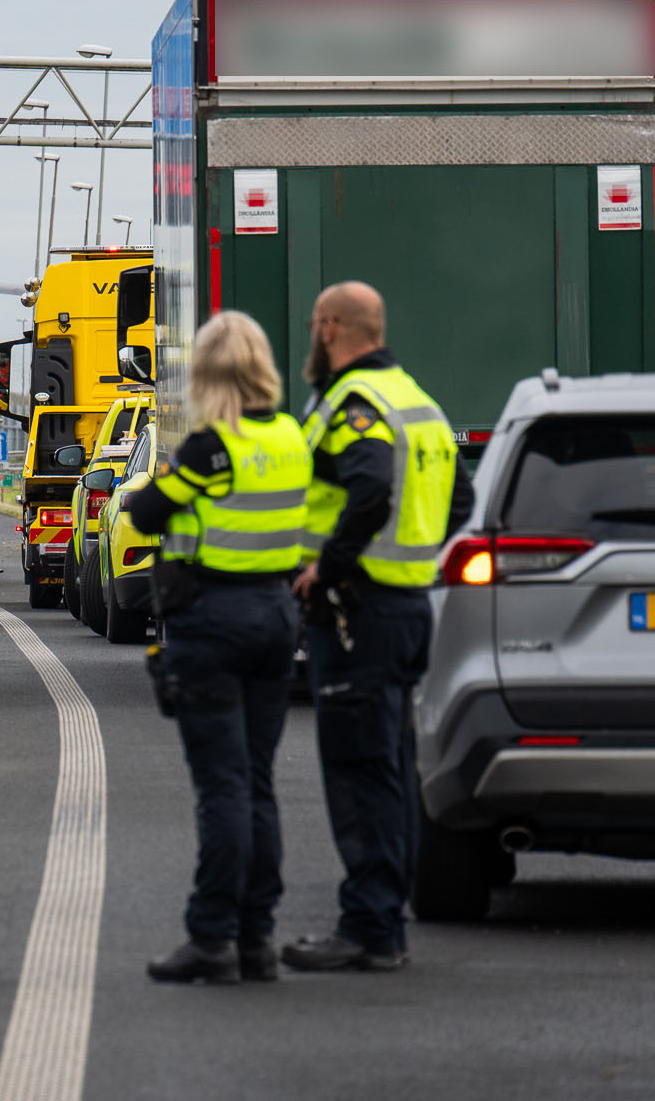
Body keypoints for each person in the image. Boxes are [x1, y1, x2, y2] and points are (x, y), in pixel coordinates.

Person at [283, 282, 473, 973]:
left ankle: (369, 926)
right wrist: (415, 555)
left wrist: (327, 569)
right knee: (390, 767)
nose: (313, 333)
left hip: (358, 613)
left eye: (315, 324)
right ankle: (384, 917)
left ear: (331, 327)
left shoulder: (355, 405)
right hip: (407, 607)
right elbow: (462, 499)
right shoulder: (418, 402)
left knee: (360, 772)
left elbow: (368, 491)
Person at [124, 311, 311, 985]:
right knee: (258, 782)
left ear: (205, 374)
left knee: (222, 789)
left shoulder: (208, 449)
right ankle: (257, 938)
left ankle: (210, 938)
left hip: (212, 618)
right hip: (276, 616)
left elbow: (143, 513)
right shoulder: (292, 437)